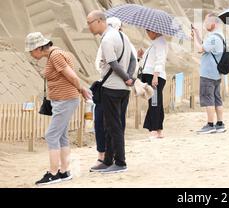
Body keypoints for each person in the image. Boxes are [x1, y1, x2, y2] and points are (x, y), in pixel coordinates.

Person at [26, 33, 92, 185]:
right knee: (61, 135)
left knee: (51, 135)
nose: (30, 54)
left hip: (65, 99)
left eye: (31, 51)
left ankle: (54, 173)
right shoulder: (55, 54)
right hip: (62, 100)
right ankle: (64, 171)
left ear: (38, 48)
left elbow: (72, 76)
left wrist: (81, 89)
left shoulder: (55, 56)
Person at [87, 11, 136, 174]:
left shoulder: (107, 39)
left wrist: (126, 78)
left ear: (100, 21)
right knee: (110, 124)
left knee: (114, 126)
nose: (88, 26)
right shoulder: (123, 36)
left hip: (112, 87)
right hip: (122, 89)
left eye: (90, 22)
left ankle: (120, 162)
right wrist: (128, 77)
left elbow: (113, 64)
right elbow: (133, 60)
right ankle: (107, 160)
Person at [192, 13, 227, 134]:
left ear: (213, 23)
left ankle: (210, 124)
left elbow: (200, 49)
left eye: (206, 22)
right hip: (216, 73)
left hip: (208, 73)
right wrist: (197, 35)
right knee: (217, 98)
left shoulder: (213, 38)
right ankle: (220, 123)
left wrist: (194, 39)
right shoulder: (219, 36)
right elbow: (205, 46)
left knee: (208, 98)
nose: (204, 24)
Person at [138, 30, 168, 139]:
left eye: (148, 32)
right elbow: (149, 61)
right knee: (156, 102)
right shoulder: (156, 42)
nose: (147, 34)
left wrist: (155, 76)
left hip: (154, 77)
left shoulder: (160, 42)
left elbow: (160, 60)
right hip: (151, 75)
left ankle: (154, 130)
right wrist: (141, 56)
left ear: (154, 32)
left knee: (154, 103)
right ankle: (158, 130)